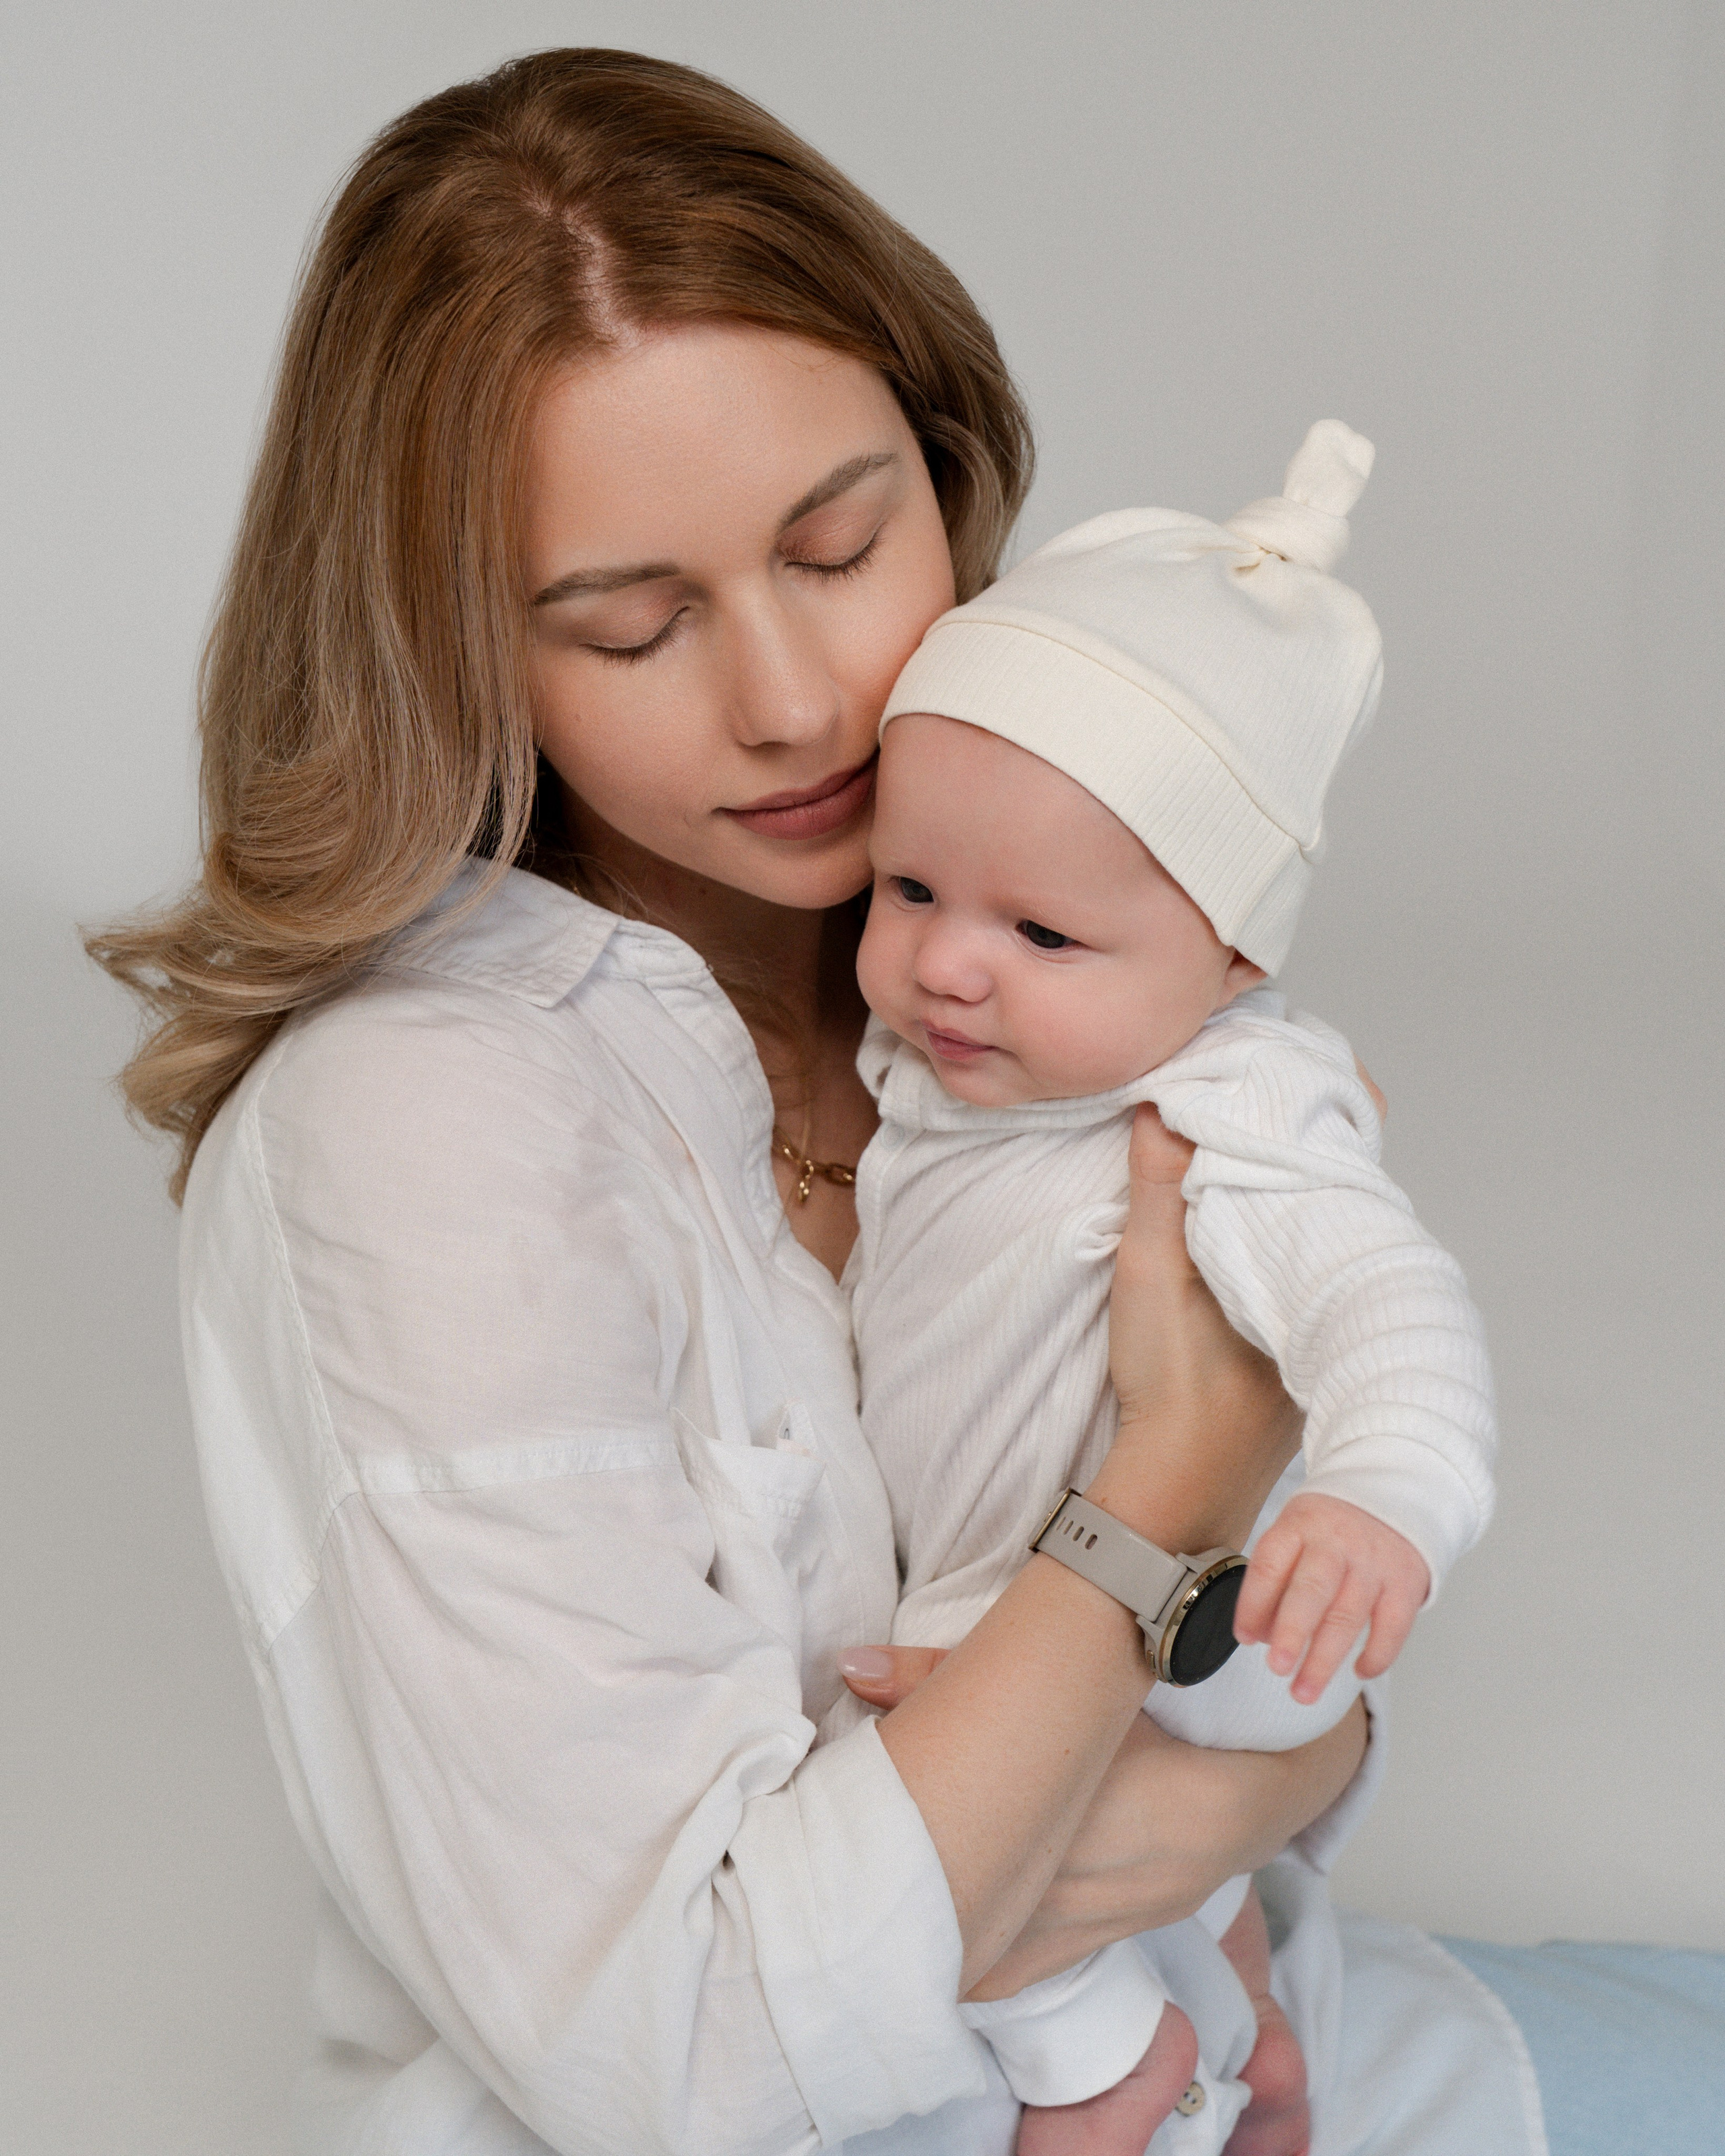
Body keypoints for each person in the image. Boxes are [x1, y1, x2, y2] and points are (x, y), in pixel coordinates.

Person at [86, 47, 1535, 2156]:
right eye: (634, 623)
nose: (794, 705)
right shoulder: (419, 1142)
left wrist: (1283, 1780)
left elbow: (1297, 1684)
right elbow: (699, 2058)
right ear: (456, 654)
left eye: (844, 546)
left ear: (946, 469)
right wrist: (1174, 1475)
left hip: (1254, 2052)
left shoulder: (992, 940)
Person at [848, 421, 1496, 2154]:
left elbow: (1386, 1297)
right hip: (1046, 1587)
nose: (947, 962)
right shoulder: (935, 1059)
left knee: (930, 1853)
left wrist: (1382, 1491)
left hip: (1204, 1611)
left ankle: (1108, 2072)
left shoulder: (1226, 1103)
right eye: (907, 888)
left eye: (1042, 935)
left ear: (1230, 957)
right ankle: (1254, 2017)